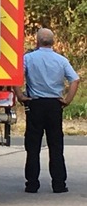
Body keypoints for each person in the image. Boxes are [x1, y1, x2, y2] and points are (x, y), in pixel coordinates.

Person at [13, 28, 79, 193]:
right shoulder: (61, 60)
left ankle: (32, 184)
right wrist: (67, 100)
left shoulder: (28, 58)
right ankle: (59, 184)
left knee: (33, 147)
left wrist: (20, 95)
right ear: (53, 42)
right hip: (54, 105)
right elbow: (75, 80)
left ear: (37, 41)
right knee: (56, 146)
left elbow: (16, 77)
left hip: (35, 104)